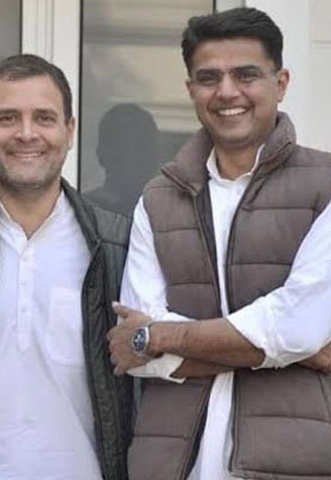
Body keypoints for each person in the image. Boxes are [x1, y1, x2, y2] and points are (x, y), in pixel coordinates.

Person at [107, 7, 331, 480]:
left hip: (294, 464)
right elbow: (136, 356)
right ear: (191, 89)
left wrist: (159, 336)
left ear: (281, 83)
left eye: (246, 74)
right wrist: (288, 352)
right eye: (209, 78)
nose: (227, 92)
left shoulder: (326, 186)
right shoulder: (158, 199)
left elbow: (296, 327)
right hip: (173, 466)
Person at [0, 54, 133, 480]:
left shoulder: (117, 246)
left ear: (70, 131)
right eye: (8, 118)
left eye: (44, 118)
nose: (27, 133)